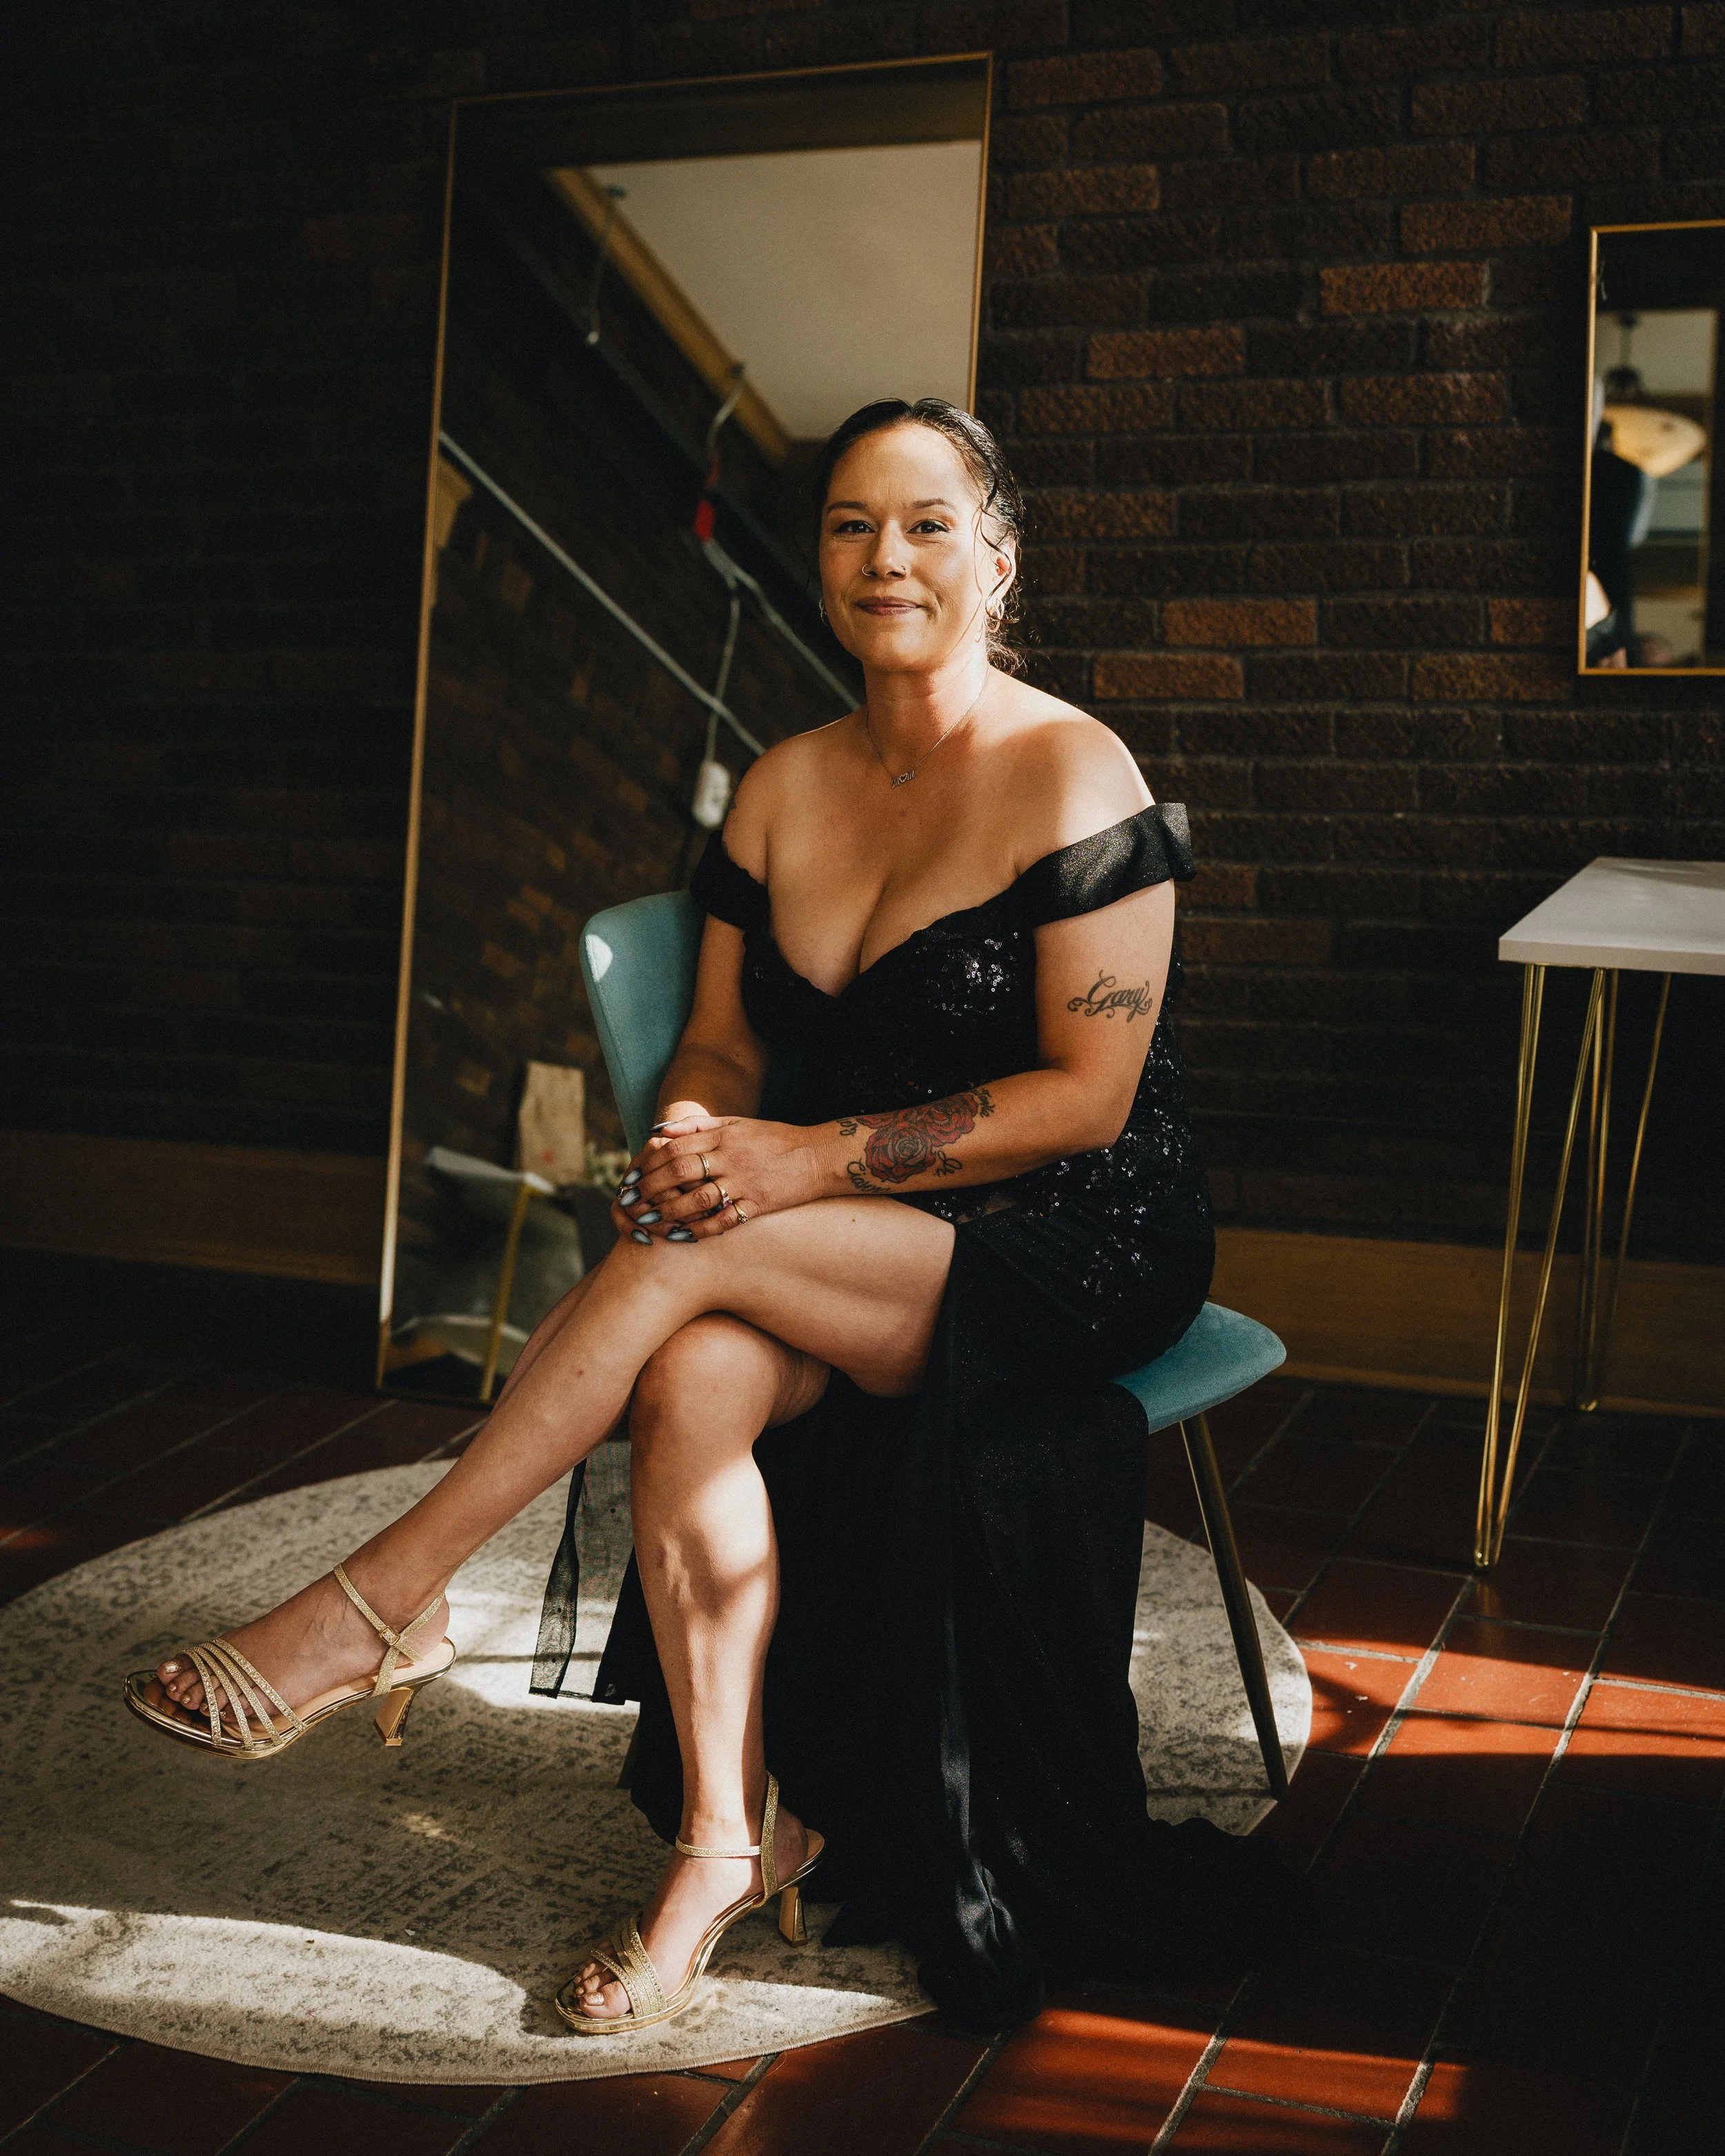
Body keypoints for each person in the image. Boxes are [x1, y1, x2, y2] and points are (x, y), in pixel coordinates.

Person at [127, 397, 1315, 2034]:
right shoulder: (778, 789)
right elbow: (719, 1042)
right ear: (817, 561)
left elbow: (1081, 1104)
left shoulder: (1071, 770)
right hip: (831, 1230)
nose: (882, 553)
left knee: (701, 1250)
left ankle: (380, 1599)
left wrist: (788, 1164)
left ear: (997, 559)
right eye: (846, 523)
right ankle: (711, 1848)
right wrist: (696, 1128)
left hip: (1072, 1231)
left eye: (922, 521)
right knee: (689, 1378)